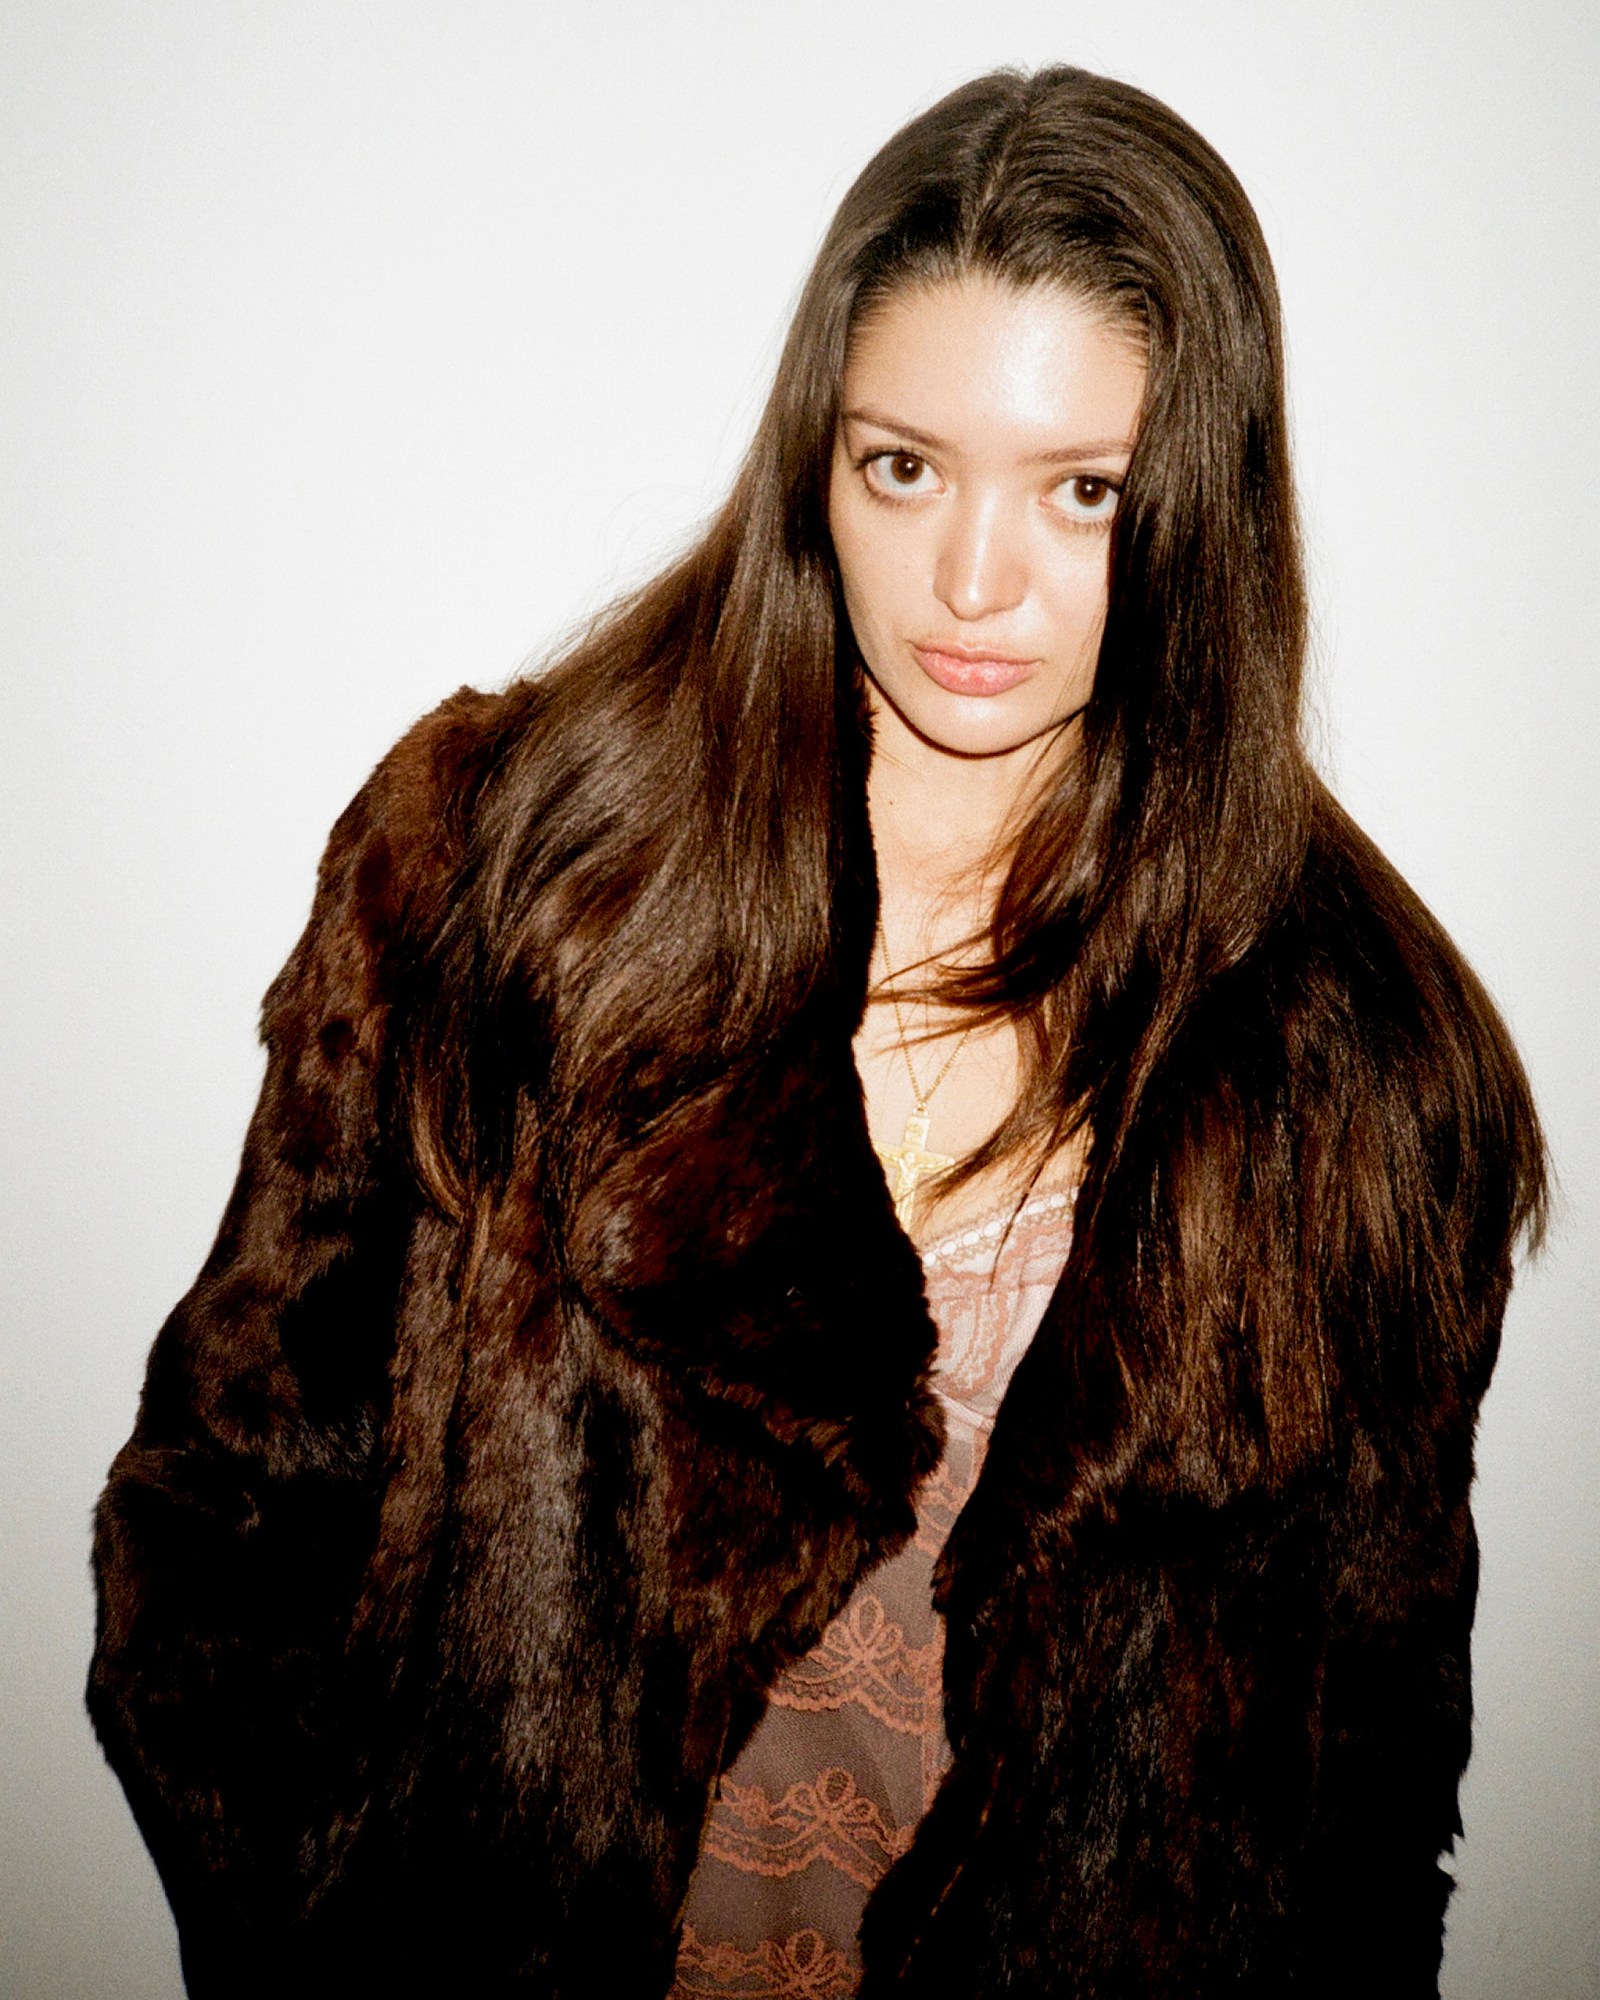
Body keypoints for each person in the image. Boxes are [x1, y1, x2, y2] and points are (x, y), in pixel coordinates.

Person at [87, 64, 1545, 2000]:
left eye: (1085, 492)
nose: (972, 582)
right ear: (818, 460)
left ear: (1205, 504)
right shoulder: (504, 866)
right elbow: (226, 1502)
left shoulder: (1356, 1071)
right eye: (904, 467)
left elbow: (1359, 1796)